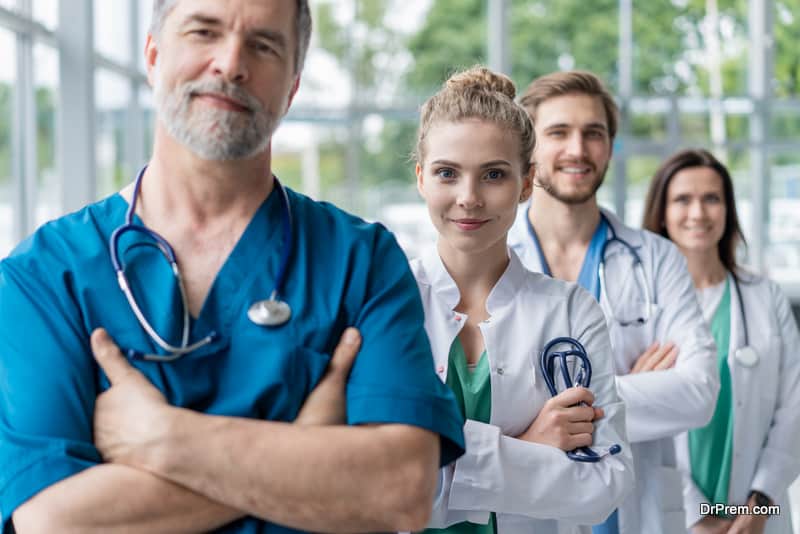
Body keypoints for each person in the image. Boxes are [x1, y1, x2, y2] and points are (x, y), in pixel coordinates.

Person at [0, 1, 466, 532]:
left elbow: (399, 487)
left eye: (263, 46)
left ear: (292, 86)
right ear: (153, 55)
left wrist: (160, 436)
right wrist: (303, 442)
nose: (230, 63)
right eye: (204, 32)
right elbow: (55, 522)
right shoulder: (43, 276)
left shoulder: (362, 261)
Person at [410, 65, 633, 533]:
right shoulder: (391, 301)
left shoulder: (570, 311)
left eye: (493, 174)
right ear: (421, 178)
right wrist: (529, 445)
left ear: (527, 183)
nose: (469, 198)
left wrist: (447, 459)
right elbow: (371, 482)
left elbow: (604, 485)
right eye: (447, 173)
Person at [507, 70, 719, 534]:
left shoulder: (657, 258)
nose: (578, 150)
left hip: (631, 514)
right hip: (528, 513)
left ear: (610, 145)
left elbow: (700, 393)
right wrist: (625, 388)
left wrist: (545, 409)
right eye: (558, 132)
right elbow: (481, 408)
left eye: (594, 133)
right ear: (528, 147)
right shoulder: (494, 258)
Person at [643, 148, 800, 534]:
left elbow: (795, 409)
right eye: (683, 199)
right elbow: (638, 419)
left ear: (728, 210)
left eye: (711, 199)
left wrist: (760, 507)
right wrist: (696, 514)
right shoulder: (641, 308)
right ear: (662, 212)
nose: (698, 213)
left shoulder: (764, 296)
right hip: (673, 513)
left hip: (761, 512)